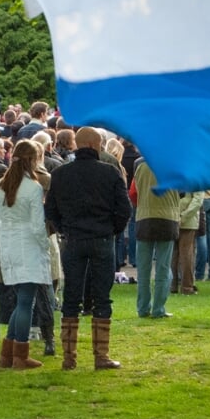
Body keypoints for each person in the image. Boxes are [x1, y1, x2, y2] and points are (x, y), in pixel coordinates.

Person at [44, 127, 131, 370]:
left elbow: (50, 209)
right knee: (102, 297)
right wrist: (111, 229)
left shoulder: (61, 174)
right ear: (95, 145)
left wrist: (64, 228)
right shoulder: (110, 172)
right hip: (102, 237)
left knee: (72, 296)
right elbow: (124, 209)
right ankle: (100, 356)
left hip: (73, 239)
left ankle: (69, 357)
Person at [0, 139, 50, 369]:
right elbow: (37, 225)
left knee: (21, 301)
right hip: (28, 245)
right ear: (33, 160)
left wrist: (7, 234)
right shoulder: (33, 188)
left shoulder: (1, 185)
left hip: (9, 245)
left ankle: (8, 354)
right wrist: (45, 245)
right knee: (26, 301)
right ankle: (20, 354)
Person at [132, 158, 181, 319]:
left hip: (144, 217)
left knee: (143, 268)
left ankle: (143, 307)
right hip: (167, 218)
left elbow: (133, 192)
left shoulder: (139, 164)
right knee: (163, 267)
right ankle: (159, 308)